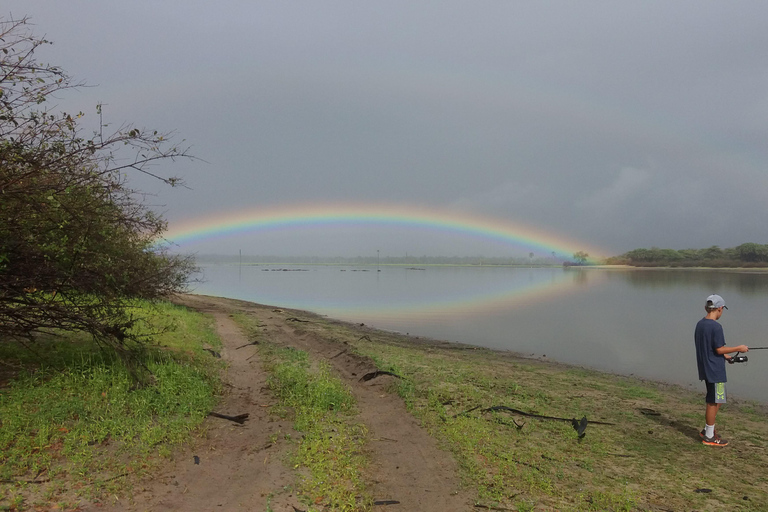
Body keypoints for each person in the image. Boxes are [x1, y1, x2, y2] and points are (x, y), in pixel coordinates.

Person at [694, 294, 748, 447]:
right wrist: (739, 348)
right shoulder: (716, 327)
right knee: (714, 401)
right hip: (715, 370)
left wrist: (726, 356)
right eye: (722, 310)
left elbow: (711, 348)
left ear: (706, 308)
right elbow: (718, 349)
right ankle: (709, 436)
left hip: (706, 367)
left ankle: (707, 430)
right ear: (719, 308)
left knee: (718, 399)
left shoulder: (700, 324)